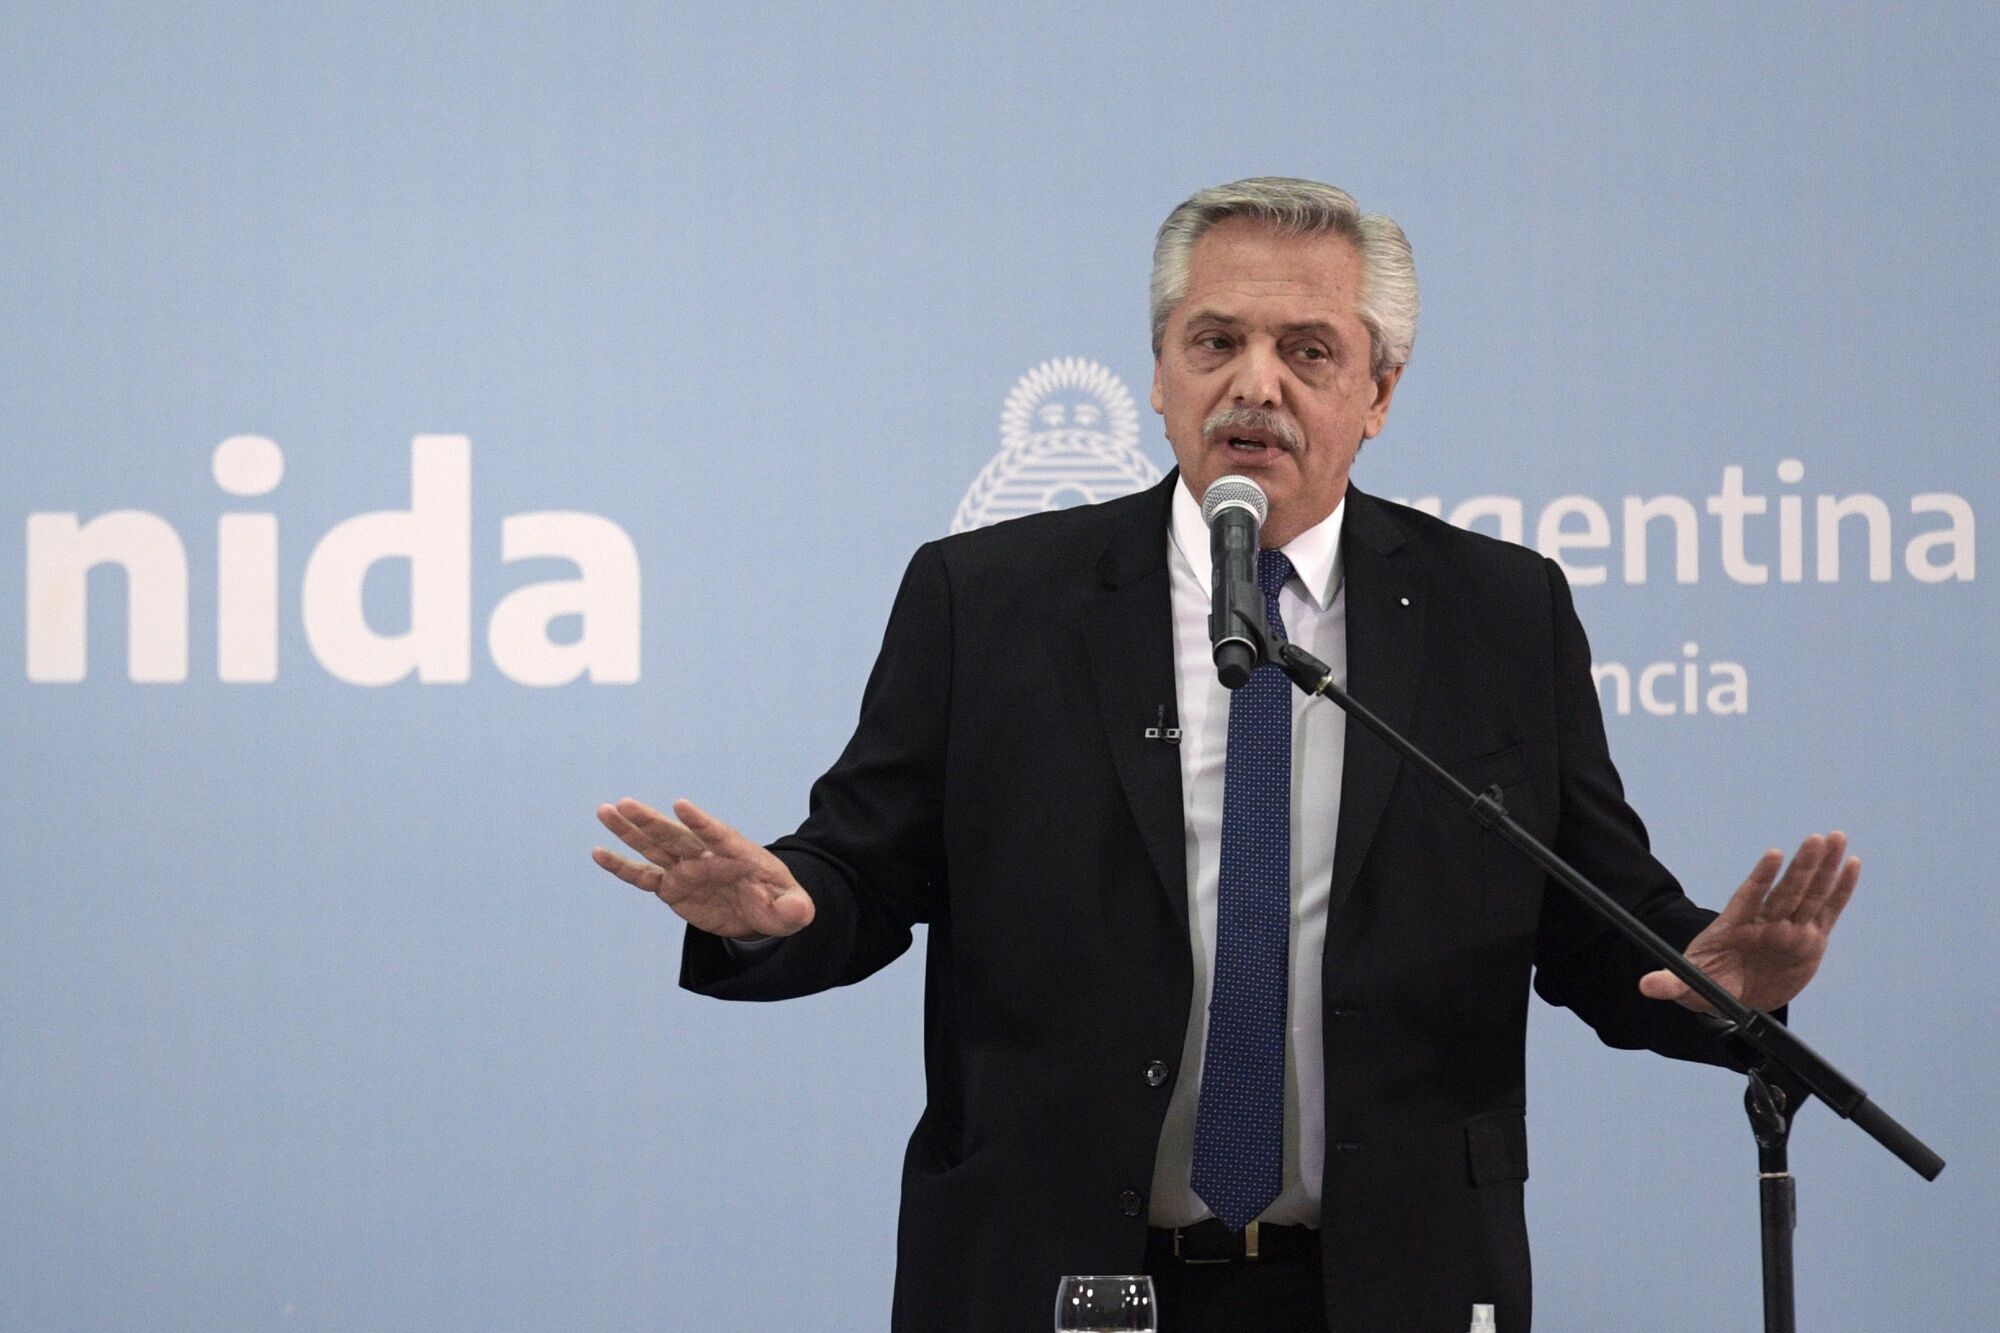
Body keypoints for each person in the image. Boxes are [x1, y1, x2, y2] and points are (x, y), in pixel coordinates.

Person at [590, 178, 1859, 1332]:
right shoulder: (991, 599)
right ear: (1157, 373)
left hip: (1389, 1281)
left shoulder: (1496, 612)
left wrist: (1706, 976)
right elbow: (861, 872)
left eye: (1307, 351)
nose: (1253, 384)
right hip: (1050, 1273)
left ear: (1379, 393)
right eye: (1214, 343)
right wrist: (777, 910)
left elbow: (1590, 912)